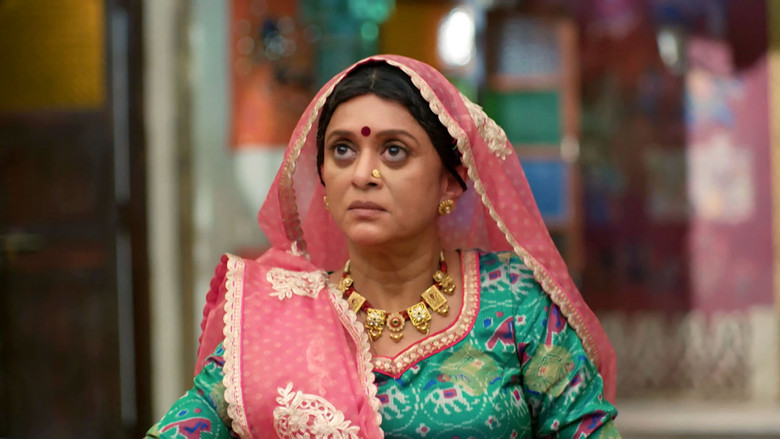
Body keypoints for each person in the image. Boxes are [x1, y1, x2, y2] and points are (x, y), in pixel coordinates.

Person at [146, 55, 619, 438]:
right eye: (343, 150)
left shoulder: (514, 301)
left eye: (394, 151)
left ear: (449, 183)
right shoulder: (278, 316)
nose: (362, 174)